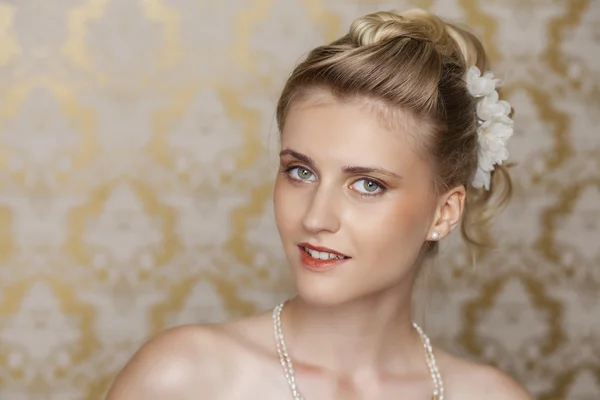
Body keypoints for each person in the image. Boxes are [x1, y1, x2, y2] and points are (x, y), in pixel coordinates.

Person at [106, 8, 533, 400]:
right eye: (300, 172)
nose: (315, 217)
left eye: (367, 184)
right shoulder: (184, 378)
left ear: (444, 213)